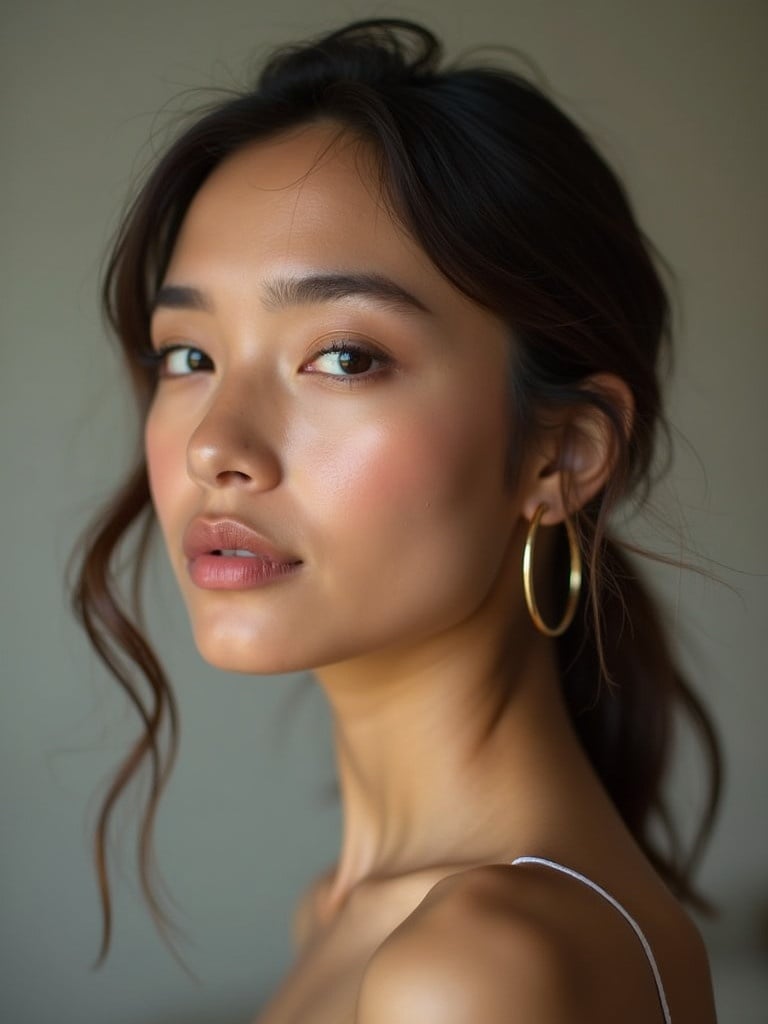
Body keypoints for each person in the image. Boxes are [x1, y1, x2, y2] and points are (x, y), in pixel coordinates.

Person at [71, 18, 722, 1022]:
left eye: (342, 356)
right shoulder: (348, 916)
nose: (215, 445)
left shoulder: (469, 972)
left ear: (564, 454)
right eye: (188, 355)